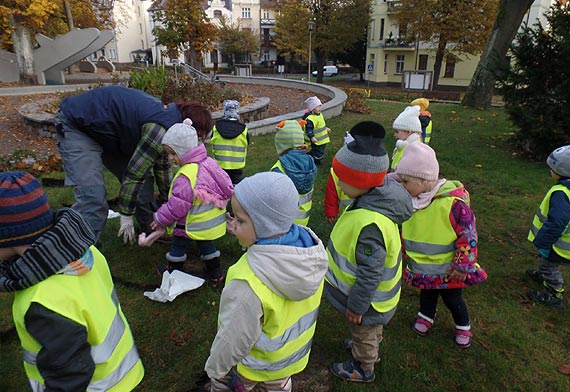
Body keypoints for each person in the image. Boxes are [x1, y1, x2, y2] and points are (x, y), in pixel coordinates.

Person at [0, 171, 144, 391]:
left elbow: (68, 378)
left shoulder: (43, 303)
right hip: (122, 372)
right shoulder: (88, 253)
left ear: (8, 238)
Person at [204, 172, 328, 392]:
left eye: (240, 220)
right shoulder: (309, 255)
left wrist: (216, 370)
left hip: (255, 365)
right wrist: (243, 228)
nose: (233, 226)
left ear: (264, 227)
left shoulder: (248, 282)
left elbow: (233, 337)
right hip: (291, 358)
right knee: (278, 385)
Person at [54, 85, 213, 244]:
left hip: (111, 133)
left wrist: (170, 204)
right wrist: (126, 215)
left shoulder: (171, 126)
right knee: (92, 197)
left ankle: (151, 228)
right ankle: (77, 249)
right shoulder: (160, 129)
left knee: (145, 183)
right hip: (78, 124)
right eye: (198, 137)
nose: (196, 144)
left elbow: (162, 168)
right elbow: (134, 174)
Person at [324, 121, 413, 383]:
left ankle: (364, 367)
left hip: (368, 303)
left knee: (364, 330)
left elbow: (370, 273)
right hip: (372, 302)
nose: (338, 183)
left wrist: (357, 306)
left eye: (342, 178)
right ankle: (368, 347)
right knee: (369, 332)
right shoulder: (371, 199)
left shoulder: (370, 225)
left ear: (359, 181)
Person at [394, 143, 487, 349]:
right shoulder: (413, 201)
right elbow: (406, 229)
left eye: (406, 181)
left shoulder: (453, 206)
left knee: (453, 299)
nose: (402, 185)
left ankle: (463, 325)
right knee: (427, 295)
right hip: (424, 268)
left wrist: (463, 265)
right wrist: (401, 249)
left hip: (450, 270)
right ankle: (426, 316)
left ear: (425, 181)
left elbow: (468, 235)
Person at [150, 119, 233, 284]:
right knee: (207, 245)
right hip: (209, 222)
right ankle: (215, 273)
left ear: (185, 151)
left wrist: (160, 218)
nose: (170, 158)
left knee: (178, 244)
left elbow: (177, 206)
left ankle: (173, 271)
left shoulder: (186, 175)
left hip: (191, 222)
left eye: (173, 153)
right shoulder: (209, 163)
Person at [526, 145, 570, 308]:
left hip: (562, 245)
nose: (549, 171)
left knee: (548, 264)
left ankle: (554, 292)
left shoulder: (562, 193)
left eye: (552, 169)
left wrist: (542, 240)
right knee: (546, 260)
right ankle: (544, 275)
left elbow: (558, 222)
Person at [271, 120, 317, 226]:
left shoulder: (279, 168)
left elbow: (273, 199)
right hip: (303, 219)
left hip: (283, 221)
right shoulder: (310, 163)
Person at [211, 100, 250, 185]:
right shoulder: (244, 131)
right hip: (237, 167)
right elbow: (247, 143)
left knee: (221, 186)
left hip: (220, 166)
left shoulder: (216, 129)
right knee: (237, 189)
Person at [324, 131, 354, 224]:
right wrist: (331, 212)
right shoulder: (336, 172)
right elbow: (331, 194)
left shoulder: (370, 169)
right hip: (344, 216)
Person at [390, 105, 423, 171]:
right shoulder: (404, 144)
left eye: (397, 132)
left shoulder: (414, 149)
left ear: (408, 132)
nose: (394, 135)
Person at [302, 96, 331, 165]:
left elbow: (320, 125)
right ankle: (314, 161)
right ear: (312, 108)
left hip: (322, 139)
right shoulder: (310, 119)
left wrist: (325, 128)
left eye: (319, 106)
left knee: (316, 151)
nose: (319, 108)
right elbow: (308, 129)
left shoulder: (319, 115)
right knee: (319, 152)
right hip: (317, 140)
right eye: (317, 107)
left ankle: (309, 157)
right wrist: (312, 137)